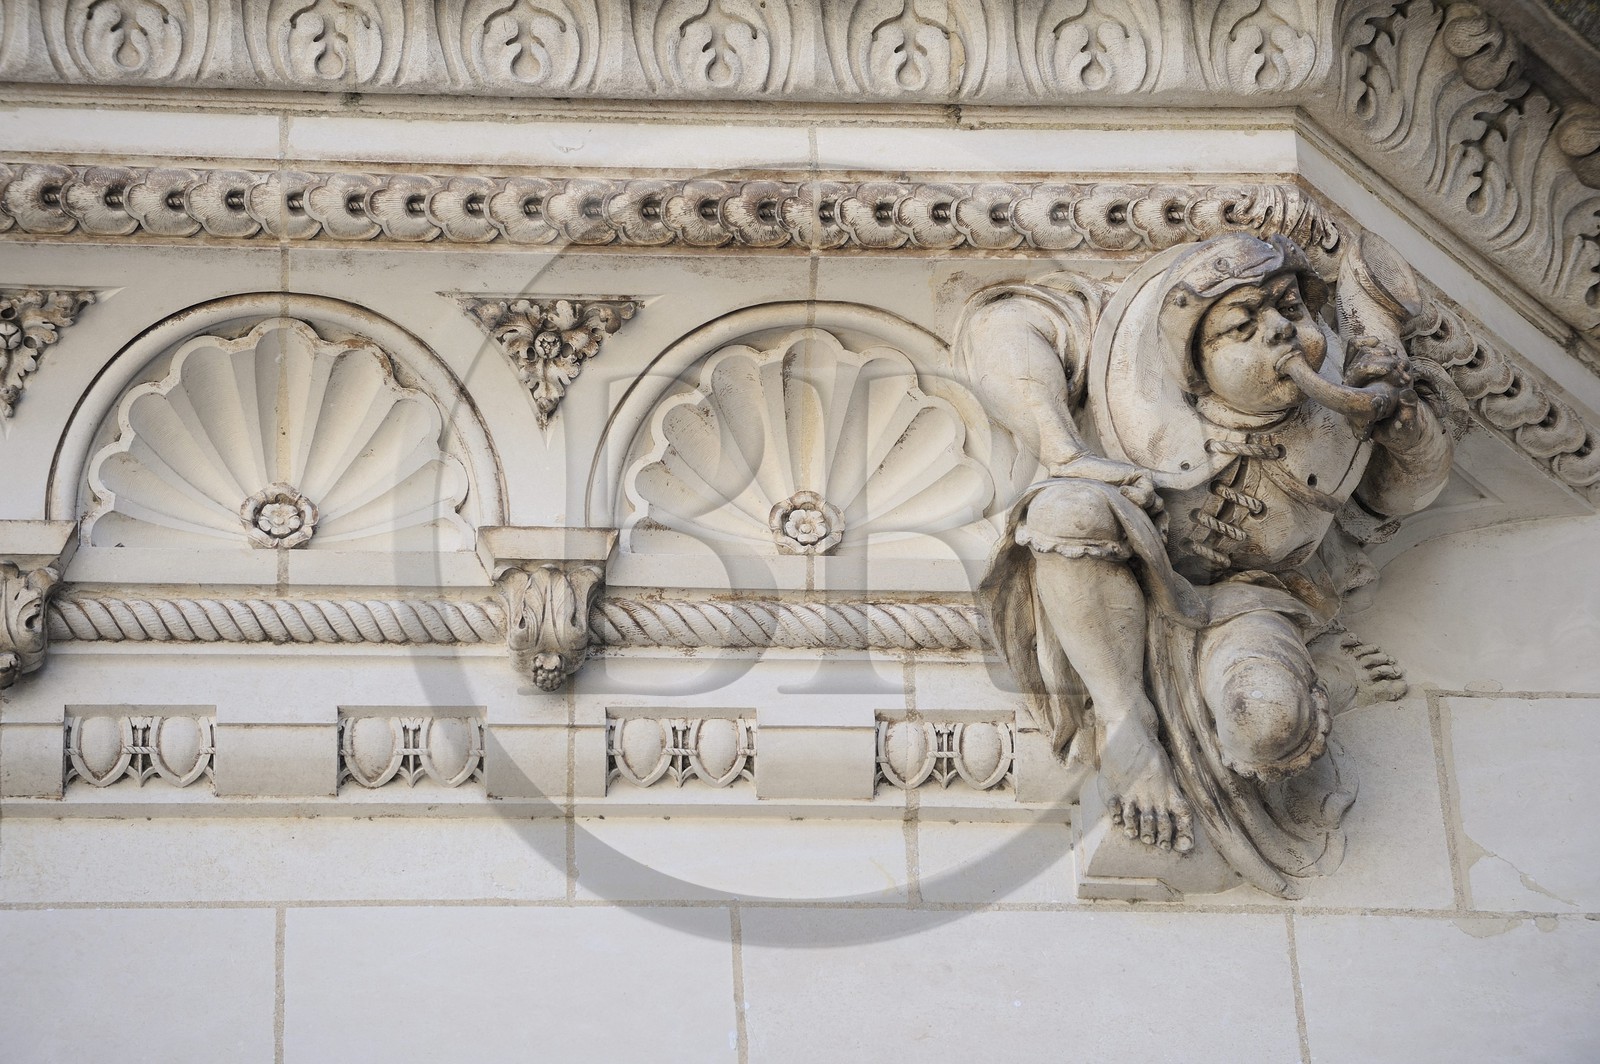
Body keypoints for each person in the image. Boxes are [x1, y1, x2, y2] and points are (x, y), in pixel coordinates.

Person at [956, 232, 1454, 896]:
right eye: (1243, 327)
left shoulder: (1335, 413)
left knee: (1267, 726)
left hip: (1246, 603)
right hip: (1113, 574)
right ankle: (1126, 723)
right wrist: (1061, 445)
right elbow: (1000, 324)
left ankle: (1319, 681)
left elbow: (1395, 497)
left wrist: (1411, 433)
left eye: (1287, 307)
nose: (1280, 330)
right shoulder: (1129, 370)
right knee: (1065, 509)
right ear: (1192, 363)